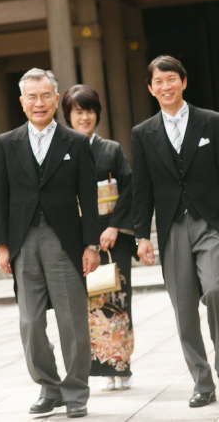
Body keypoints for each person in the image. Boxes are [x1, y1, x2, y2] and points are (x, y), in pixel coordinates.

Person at [132, 55, 219, 408]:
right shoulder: (143, 133)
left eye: (171, 79)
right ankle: (201, 381)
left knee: (216, 290)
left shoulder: (212, 122)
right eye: (158, 82)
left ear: (183, 81)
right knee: (183, 309)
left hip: (210, 223)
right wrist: (141, 235)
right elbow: (142, 189)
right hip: (171, 229)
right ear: (151, 89)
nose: (165, 87)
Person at [0, 68, 100, 419]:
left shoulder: (77, 143)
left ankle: (76, 391)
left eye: (45, 96)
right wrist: (2, 245)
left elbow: (89, 197)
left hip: (64, 240)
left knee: (72, 320)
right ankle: (48, 386)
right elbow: (0, 198)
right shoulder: (7, 143)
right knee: (30, 321)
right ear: (22, 103)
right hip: (23, 241)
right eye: (31, 97)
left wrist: (91, 244)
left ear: (57, 99)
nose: (39, 103)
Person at [61, 85, 135, 392]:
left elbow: (129, 189)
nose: (85, 117)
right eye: (78, 111)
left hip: (112, 236)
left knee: (117, 299)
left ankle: (122, 365)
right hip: (79, 238)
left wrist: (115, 226)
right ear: (68, 116)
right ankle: (100, 367)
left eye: (89, 110)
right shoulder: (62, 151)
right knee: (88, 303)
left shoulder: (112, 150)